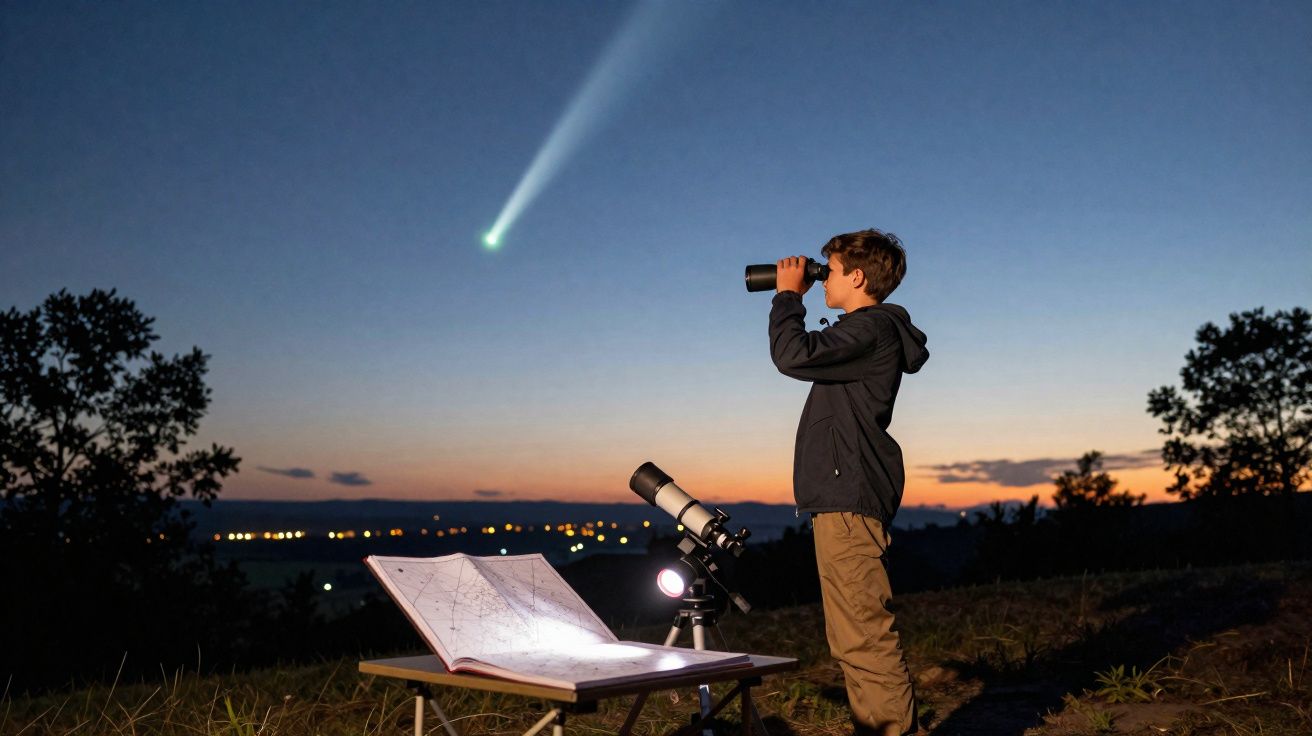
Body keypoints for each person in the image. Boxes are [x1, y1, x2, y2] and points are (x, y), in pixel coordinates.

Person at [768, 229, 929, 736]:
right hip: (844, 498)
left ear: (856, 276)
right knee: (851, 639)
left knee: (863, 637)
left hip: (849, 499)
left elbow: (792, 355)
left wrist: (787, 295)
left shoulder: (871, 328)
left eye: (829, 270)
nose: (822, 280)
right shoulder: (865, 332)